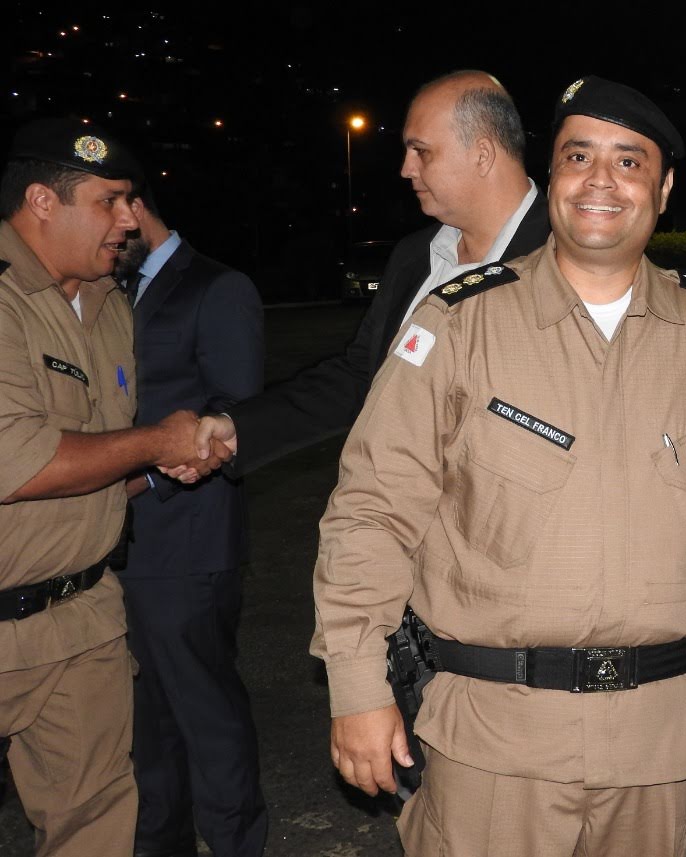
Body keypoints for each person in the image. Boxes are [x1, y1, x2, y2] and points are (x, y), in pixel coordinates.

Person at [313, 76, 686, 856]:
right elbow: (372, 508)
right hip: (493, 742)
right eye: (578, 156)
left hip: (654, 748)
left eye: (629, 162)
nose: (600, 180)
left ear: (664, 190)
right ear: (551, 176)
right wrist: (356, 685)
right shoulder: (460, 322)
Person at [0, 118, 230, 857]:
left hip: (82, 618)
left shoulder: (106, 305)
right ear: (42, 201)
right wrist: (158, 441)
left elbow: (93, 463)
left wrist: (158, 467)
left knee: (95, 824)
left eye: (131, 200)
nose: (131, 219)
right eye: (111, 201)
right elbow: (16, 461)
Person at [192, 70, 550, 474]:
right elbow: (362, 374)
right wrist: (241, 427)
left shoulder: (567, 259)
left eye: (421, 151)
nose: (406, 169)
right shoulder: (414, 255)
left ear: (482, 154)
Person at [114, 181, 266, 857]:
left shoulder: (217, 287)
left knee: (208, 720)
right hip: (117, 545)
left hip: (186, 544)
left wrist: (144, 475)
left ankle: (236, 843)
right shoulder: (104, 288)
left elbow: (237, 413)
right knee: (147, 725)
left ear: (134, 208)